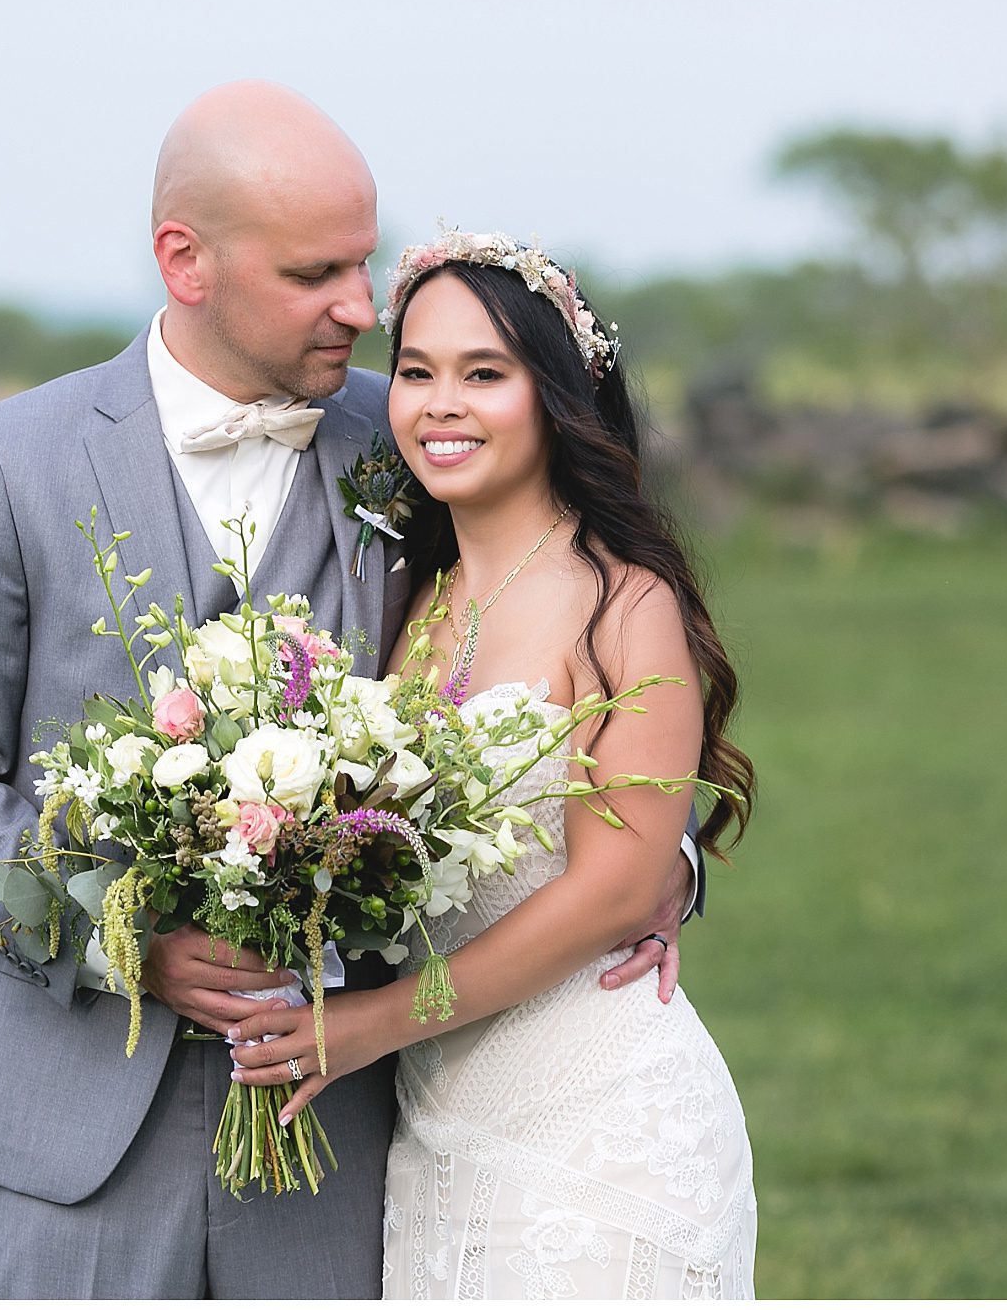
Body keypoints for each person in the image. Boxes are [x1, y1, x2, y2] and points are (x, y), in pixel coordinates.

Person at [0, 84, 699, 1299]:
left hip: (349, 1117)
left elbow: (554, 644)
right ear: (183, 260)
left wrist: (651, 868)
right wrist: (123, 936)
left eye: (362, 265)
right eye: (315, 274)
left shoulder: (412, 432)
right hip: (73, 1126)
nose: (361, 312)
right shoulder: (2, 464)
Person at [222, 230, 760, 1298]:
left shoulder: (623, 600)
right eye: (414, 371)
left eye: (483, 373)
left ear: (555, 396)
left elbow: (612, 887)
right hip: (435, 1135)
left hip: (598, 1127)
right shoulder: (408, 604)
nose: (439, 403)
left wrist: (372, 1021)